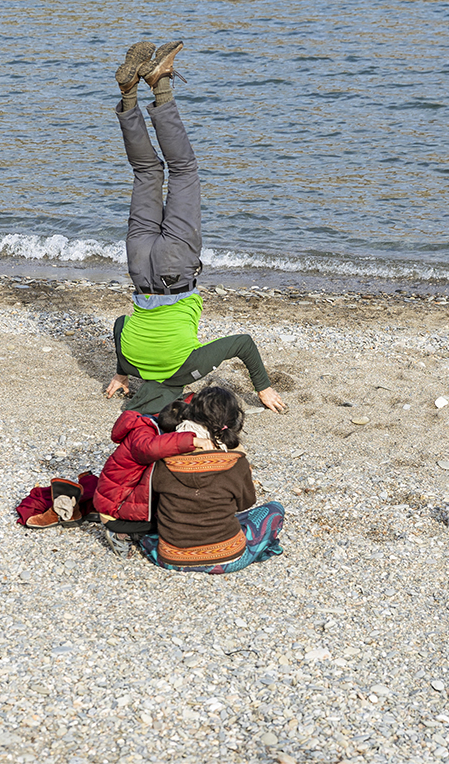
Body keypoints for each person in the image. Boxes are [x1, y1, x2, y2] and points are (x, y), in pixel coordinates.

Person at [106, 39, 287, 416]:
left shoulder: (185, 372)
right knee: (146, 172)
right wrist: (122, 375)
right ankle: (128, 97)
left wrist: (264, 388)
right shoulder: (135, 363)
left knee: (184, 170)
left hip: (174, 266)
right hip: (139, 266)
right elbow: (121, 325)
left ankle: (160, 85)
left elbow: (242, 344)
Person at [138, 387, 285, 573]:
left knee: (148, 536)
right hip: (226, 560)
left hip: (171, 558)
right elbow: (245, 503)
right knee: (274, 509)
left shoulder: (165, 458)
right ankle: (258, 550)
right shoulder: (235, 463)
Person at [93, 395, 213, 556]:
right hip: (115, 512)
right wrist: (193, 441)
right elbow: (150, 448)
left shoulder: (153, 423)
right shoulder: (143, 436)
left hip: (115, 501)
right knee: (171, 523)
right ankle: (121, 535)